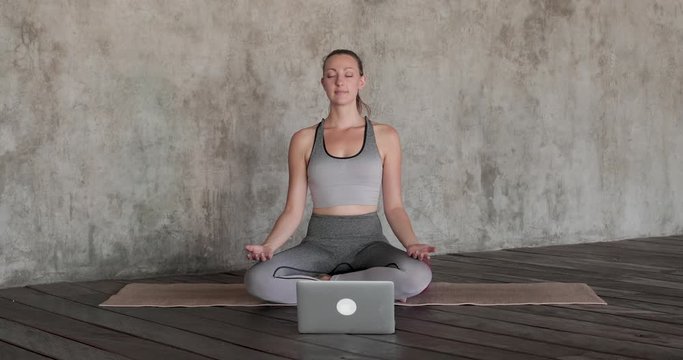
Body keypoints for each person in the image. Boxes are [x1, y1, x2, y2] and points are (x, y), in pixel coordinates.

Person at [244, 49, 435, 304]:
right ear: (323, 82)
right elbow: (292, 210)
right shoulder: (303, 140)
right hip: (319, 245)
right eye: (331, 75)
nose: (340, 82)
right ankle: (372, 288)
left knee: (417, 276)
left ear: (361, 81)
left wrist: (411, 243)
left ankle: (327, 285)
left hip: (370, 244)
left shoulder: (385, 136)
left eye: (348, 74)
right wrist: (269, 247)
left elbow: (395, 206)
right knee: (258, 279)